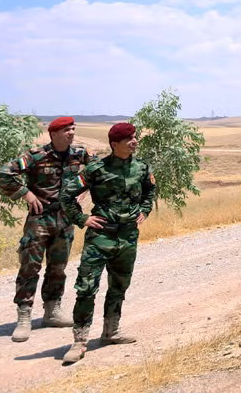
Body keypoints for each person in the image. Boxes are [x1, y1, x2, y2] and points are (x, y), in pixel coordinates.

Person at [0, 116, 94, 342]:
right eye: (67, 129)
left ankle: (52, 312)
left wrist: (87, 187)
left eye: (73, 129)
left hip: (65, 219)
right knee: (30, 268)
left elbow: (99, 168)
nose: (72, 133)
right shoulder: (35, 155)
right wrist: (25, 194)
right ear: (54, 133)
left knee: (58, 268)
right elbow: (0, 175)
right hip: (40, 220)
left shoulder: (79, 154)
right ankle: (24, 317)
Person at [60, 122, 154, 364]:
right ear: (115, 144)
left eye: (134, 137)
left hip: (128, 237)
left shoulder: (142, 167)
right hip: (100, 237)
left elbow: (149, 191)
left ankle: (111, 332)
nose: (134, 141)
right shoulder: (96, 169)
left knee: (119, 286)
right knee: (86, 288)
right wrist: (82, 218)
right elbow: (66, 195)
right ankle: (79, 341)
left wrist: (145, 210)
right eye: (129, 138)